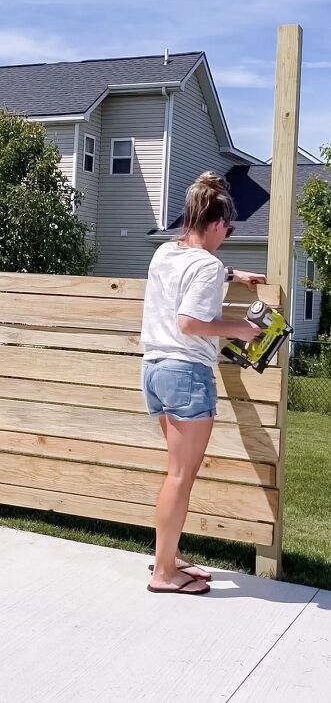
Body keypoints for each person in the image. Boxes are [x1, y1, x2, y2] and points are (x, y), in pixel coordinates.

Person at [141, 171, 266, 595]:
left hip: (155, 369)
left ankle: (168, 557)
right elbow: (191, 322)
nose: (226, 236)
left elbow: (190, 269)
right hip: (186, 374)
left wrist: (233, 274)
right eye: (227, 229)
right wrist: (240, 329)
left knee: (175, 471)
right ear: (215, 223)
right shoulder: (207, 265)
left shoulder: (165, 252)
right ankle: (163, 573)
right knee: (180, 475)